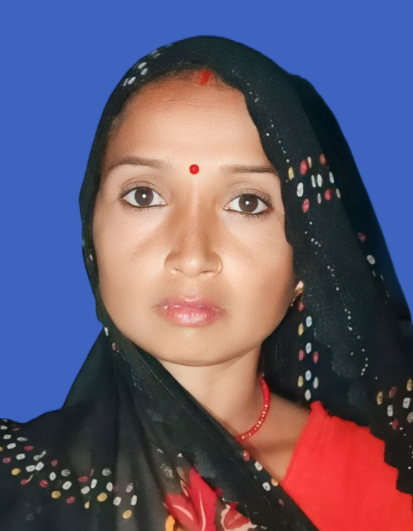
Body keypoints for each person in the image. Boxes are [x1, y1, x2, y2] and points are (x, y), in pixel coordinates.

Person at [0, 35, 412, 530]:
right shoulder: (15, 481)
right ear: (92, 232)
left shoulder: (392, 490)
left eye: (247, 203)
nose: (192, 256)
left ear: (309, 257)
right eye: (144, 195)